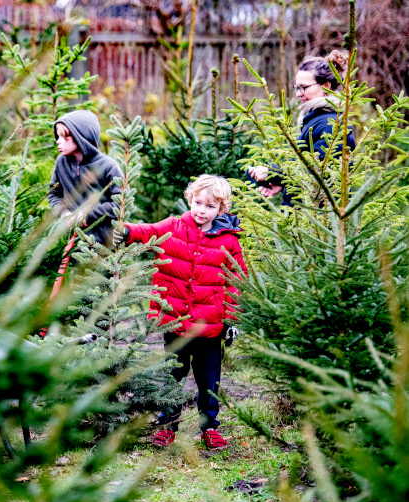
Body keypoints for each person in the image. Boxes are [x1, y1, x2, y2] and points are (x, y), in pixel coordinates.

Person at [115, 175, 247, 450]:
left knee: (208, 381)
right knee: (172, 376)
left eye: (210, 206)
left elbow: (237, 280)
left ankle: (209, 427)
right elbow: (146, 231)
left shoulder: (229, 241)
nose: (201, 210)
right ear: (190, 199)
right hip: (173, 322)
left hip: (209, 328)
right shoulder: (173, 227)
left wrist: (233, 319)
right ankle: (167, 424)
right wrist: (125, 230)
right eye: (197, 202)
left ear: (221, 209)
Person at [248, 50, 356, 205]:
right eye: (297, 87)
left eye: (304, 87)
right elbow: (303, 163)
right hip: (306, 216)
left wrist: (272, 172)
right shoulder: (314, 119)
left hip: (320, 221)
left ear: (326, 86)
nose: (299, 94)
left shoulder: (330, 124)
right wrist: (281, 182)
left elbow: (320, 173)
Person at [48, 110, 123, 248]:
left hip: (104, 246)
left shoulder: (108, 166)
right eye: (57, 136)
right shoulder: (61, 162)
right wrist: (64, 213)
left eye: (65, 137)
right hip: (72, 243)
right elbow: (54, 194)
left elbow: (121, 203)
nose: (58, 142)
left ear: (81, 137)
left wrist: (86, 214)